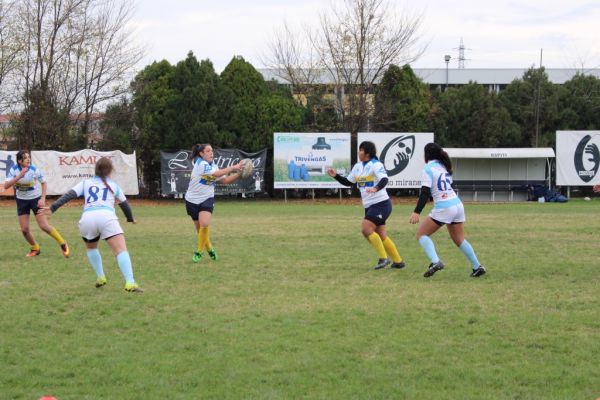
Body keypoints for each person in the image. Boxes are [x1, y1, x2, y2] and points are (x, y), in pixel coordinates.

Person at [40, 157, 142, 293]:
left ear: (96, 170)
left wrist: (53, 208)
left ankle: (101, 277)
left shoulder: (86, 183)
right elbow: (124, 204)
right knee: (121, 251)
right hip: (106, 218)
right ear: (110, 171)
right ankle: (130, 282)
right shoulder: (113, 185)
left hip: (87, 219)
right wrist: (130, 219)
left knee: (91, 248)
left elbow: (69, 195)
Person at [409, 142, 486, 278]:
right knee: (459, 239)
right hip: (457, 205)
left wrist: (416, 212)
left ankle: (435, 261)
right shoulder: (443, 166)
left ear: (427, 154)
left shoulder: (428, 169)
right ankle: (477, 267)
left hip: (445, 207)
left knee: (421, 235)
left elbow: (425, 193)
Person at [327, 141, 405, 270]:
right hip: (370, 206)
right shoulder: (357, 166)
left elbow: (384, 179)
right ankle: (398, 261)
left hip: (381, 204)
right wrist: (335, 176)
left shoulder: (375, 164)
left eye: (361, 150)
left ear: (367, 153)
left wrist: (376, 188)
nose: (359, 152)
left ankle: (383, 259)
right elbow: (348, 182)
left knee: (366, 228)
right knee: (381, 235)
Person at [4, 150, 70, 258]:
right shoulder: (13, 170)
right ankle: (35, 248)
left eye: (29, 157)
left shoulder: (34, 170)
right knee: (25, 230)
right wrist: (19, 176)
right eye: (26, 158)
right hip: (21, 201)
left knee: (44, 226)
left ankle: (63, 243)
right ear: (20, 161)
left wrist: (43, 198)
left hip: (35, 200)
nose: (28, 159)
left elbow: (43, 183)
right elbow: (6, 186)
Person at [185, 144, 244, 263]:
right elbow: (217, 174)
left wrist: (239, 174)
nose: (211, 153)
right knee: (200, 230)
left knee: (205, 224)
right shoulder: (201, 164)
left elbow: (225, 180)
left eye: (212, 151)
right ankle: (210, 248)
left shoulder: (214, 166)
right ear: (201, 154)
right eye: (208, 151)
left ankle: (199, 252)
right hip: (191, 200)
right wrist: (234, 167)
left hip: (207, 198)